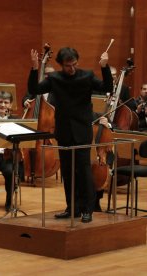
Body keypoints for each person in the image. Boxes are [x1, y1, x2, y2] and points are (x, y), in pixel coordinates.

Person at [28, 47, 113, 223]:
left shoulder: (87, 76)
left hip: (82, 130)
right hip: (64, 131)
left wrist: (104, 67)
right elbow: (34, 89)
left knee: (83, 171)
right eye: (68, 66)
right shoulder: (54, 78)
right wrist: (35, 68)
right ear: (61, 65)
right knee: (67, 171)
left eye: (74, 64)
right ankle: (72, 208)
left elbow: (107, 87)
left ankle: (87, 209)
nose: (72, 68)